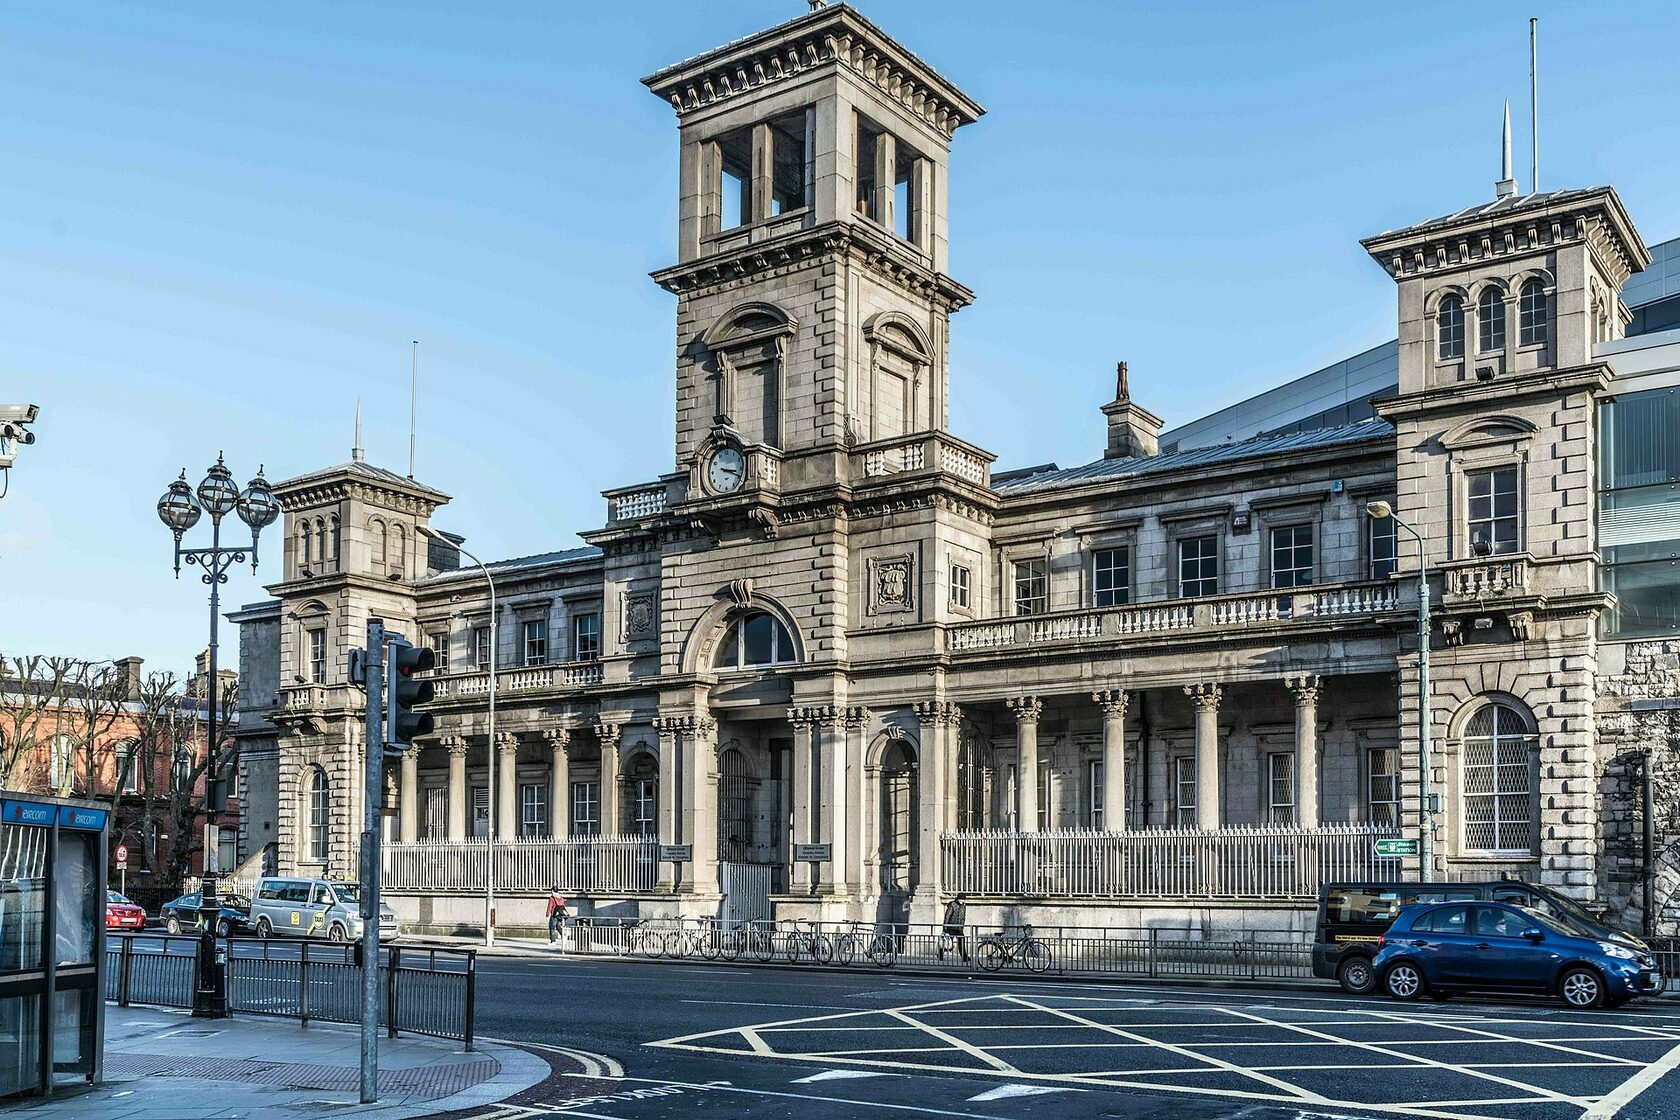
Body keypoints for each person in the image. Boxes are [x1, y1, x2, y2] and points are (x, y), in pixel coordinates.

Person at [937, 896, 968, 963]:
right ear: (958, 899)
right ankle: (940, 954)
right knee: (946, 942)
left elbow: (963, 916)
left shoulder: (963, 905)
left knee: (961, 942)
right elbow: (947, 916)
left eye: (964, 899)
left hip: (959, 927)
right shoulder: (952, 905)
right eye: (962, 899)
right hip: (951, 927)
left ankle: (964, 956)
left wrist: (962, 924)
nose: (963, 901)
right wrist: (945, 927)